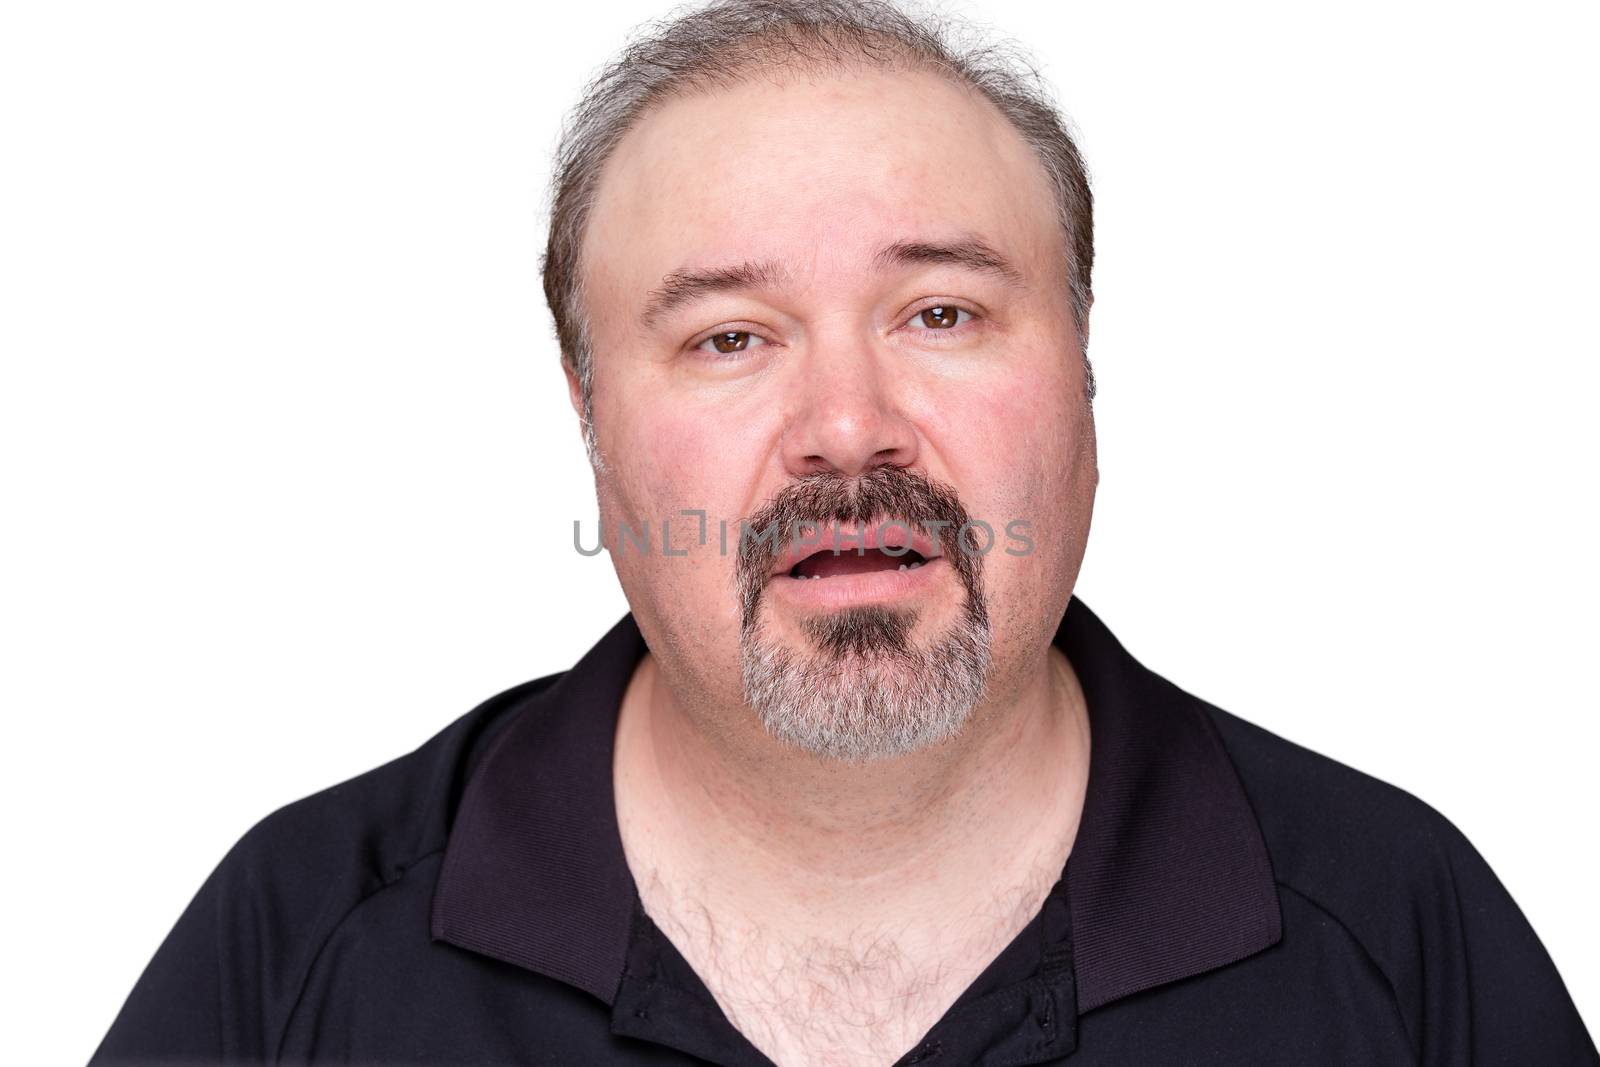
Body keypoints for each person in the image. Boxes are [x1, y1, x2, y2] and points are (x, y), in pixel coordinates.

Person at [92, 1, 1595, 1064]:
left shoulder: (1398, 938)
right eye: (731, 337)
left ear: (1079, 377)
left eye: (941, 313)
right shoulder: (297, 954)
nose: (847, 425)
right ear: (591, 416)